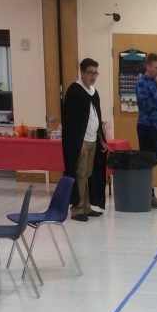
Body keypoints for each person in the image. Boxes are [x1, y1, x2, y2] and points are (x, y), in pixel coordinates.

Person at [61, 57, 108, 222]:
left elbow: (96, 117)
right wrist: (78, 142)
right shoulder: (75, 91)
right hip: (81, 142)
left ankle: (87, 207)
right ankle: (77, 208)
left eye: (96, 73)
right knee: (80, 174)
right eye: (90, 73)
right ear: (82, 72)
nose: (93, 76)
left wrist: (101, 139)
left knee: (88, 174)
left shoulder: (94, 92)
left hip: (92, 140)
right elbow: (71, 121)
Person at [135, 53, 157, 210]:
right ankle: (148, 195)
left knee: (154, 161)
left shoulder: (156, 81)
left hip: (156, 126)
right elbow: (146, 105)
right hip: (146, 126)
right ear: (147, 66)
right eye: (156, 67)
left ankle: (149, 194)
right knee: (147, 162)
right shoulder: (141, 82)